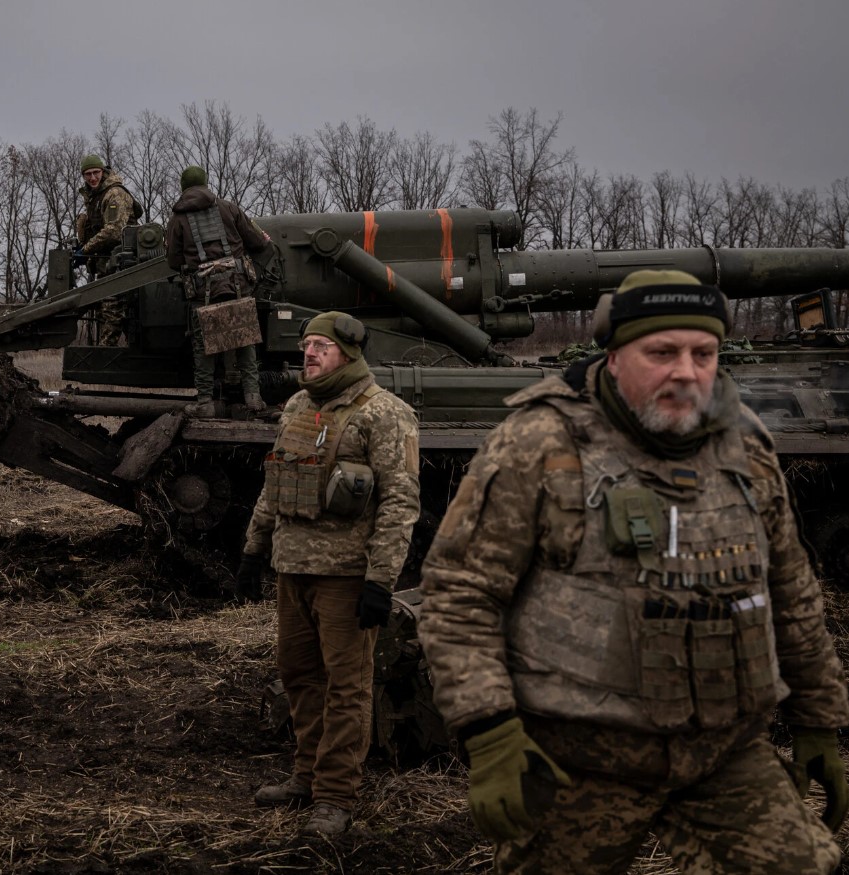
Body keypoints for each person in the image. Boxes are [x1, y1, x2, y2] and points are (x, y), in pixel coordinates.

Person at [418, 269, 849, 873]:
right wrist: (489, 732)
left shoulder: (745, 444)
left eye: (704, 353)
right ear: (615, 356)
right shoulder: (538, 442)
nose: (686, 372)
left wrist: (818, 718)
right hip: (584, 761)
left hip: (724, 753)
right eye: (662, 352)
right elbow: (460, 595)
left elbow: (790, 587)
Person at [238, 310, 421, 836]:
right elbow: (276, 483)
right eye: (306, 345)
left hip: (345, 575)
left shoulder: (385, 413)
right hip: (292, 568)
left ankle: (336, 796)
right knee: (299, 675)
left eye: (320, 345)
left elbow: (399, 503)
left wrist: (380, 581)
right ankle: (305, 778)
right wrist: (254, 551)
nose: (308, 353)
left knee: (347, 685)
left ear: (349, 352)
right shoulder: (298, 405)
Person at [165, 164, 272, 417]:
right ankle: (253, 398)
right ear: (205, 183)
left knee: (203, 346)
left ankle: (205, 403)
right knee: (245, 339)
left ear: (184, 188)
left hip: (202, 291)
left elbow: (172, 260)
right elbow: (257, 242)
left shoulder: (177, 219)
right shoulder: (228, 207)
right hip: (237, 285)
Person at [73, 154, 142, 346]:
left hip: (123, 263)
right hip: (109, 262)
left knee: (112, 309)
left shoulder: (115, 194)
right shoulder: (95, 196)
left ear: (103, 172)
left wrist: (85, 250)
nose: (92, 178)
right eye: (88, 174)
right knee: (110, 310)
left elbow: (113, 231)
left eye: (96, 172)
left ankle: (106, 354)